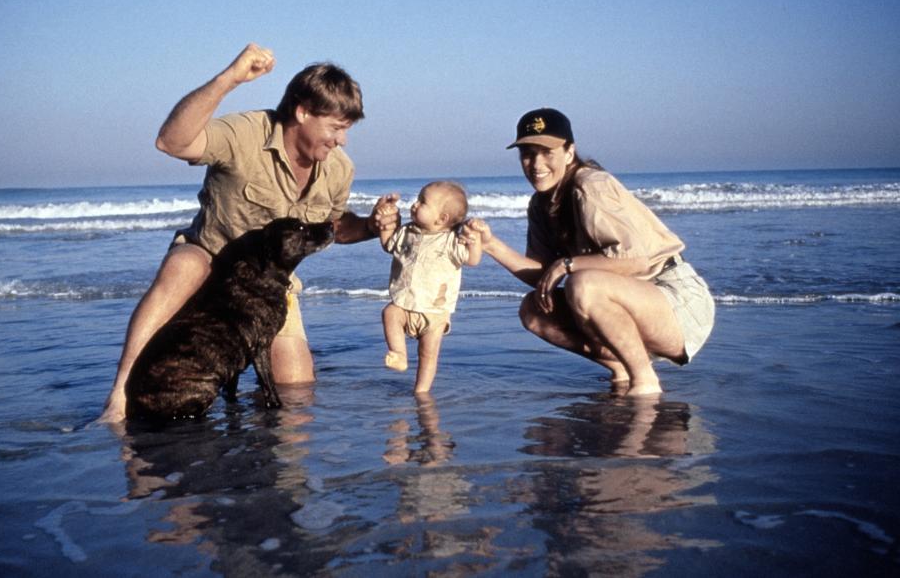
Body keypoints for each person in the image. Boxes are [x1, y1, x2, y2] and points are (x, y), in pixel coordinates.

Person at [99, 43, 399, 422]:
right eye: (337, 128)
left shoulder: (340, 168)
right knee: (185, 265)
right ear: (303, 112)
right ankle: (120, 395)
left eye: (347, 130)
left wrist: (371, 226)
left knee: (295, 390)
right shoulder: (246, 133)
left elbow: (334, 228)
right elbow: (170, 142)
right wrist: (230, 79)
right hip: (209, 260)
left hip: (267, 289)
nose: (343, 140)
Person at [465, 108, 714, 396]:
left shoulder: (590, 184)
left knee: (583, 283)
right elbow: (542, 277)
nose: (536, 164)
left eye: (547, 152)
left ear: (570, 152)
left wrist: (567, 264)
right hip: (627, 302)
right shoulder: (540, 204)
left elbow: (636, 259)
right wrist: (490, 243)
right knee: (534, 309)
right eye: (528, 154)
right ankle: (621, 367)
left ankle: (645, 380)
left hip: (676, 301)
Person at [379, 181, 482, 393]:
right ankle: (399, 354)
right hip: (404, 304)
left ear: (442, 218)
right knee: (389, 313)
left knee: (428, 354)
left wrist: (475, 241)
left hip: (435, 311)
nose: (415, 204)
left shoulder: (451, 241)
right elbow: (389, 245)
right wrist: (386, 226)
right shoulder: (407, 232)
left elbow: (472, 260)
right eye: (417, 200)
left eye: (422, 202)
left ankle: (421, 390)